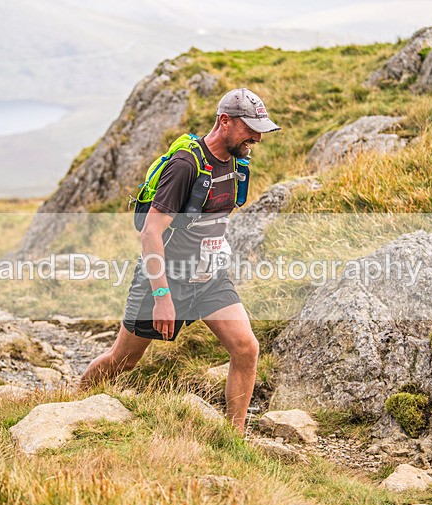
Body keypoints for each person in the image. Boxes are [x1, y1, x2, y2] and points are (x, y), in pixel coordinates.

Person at [78, 88, 281, 435]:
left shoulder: (236, 161)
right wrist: (162, 298)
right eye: (250, 128)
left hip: (210, 277)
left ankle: (233, 440)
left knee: (246, 348)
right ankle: (73, 403)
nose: (257, 137)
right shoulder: (186, 164)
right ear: (225, 121)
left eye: (260, 128)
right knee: (123, 361)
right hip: (166, 278)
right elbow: (151, 234)